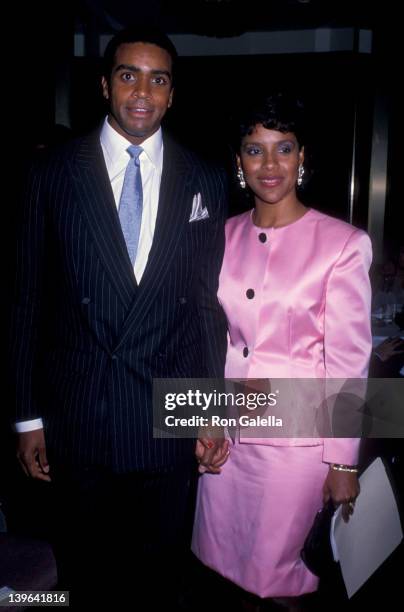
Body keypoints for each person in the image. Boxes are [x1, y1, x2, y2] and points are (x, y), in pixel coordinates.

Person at [9, 26, 228, 609]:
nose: (142, 92)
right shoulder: (51, 173)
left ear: (172, 94)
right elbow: (27, 299)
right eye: (129, 75)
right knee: (85, 578)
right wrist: (26, 418)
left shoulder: (204, 177)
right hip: (79, 415)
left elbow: (207, 309)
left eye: (158, 80)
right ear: (105, 85)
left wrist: (210, 415)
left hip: (166, 420)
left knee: (158, 583)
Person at [192, 93, 372, 611]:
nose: (270, 165)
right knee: (218, 572)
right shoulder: (219, 236)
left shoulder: (343, 243)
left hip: (298, 445)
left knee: (286, 581)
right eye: (255, 150)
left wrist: (344, 462)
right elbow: (210, 338)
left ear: (303, 158)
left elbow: (349, 362)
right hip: (226, 434)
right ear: (239, 163)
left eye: (284, 148)